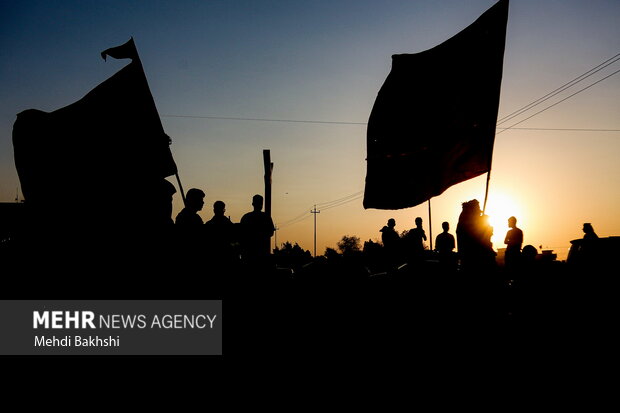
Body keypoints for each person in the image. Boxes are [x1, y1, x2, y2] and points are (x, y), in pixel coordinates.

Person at [240, 194, 275, 266]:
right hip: (262, 253)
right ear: (262, 204)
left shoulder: (246, 217)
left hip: (248, 253)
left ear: (252, 204)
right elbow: (271, 232)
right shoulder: (266, 217)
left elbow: (241, 234)